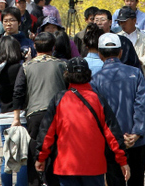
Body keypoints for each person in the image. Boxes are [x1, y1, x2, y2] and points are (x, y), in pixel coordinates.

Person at [35, 57, 130, 186]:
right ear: (88, 75)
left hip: (66, 165)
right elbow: (112, 133)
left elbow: (47, 133)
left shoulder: (59, 100)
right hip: (94, 166)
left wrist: (41, 157)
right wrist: (122, 161)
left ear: (67, 75)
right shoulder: (98, 100)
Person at [90, 33, 145, 186]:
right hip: (137, 141)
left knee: (114, 180)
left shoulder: (95, 79)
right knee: (137, 181)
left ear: (100, 54)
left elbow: (98, 114)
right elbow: (141, 105)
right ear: (121, 52)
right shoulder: (136, 73)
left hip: (111, 142)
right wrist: (136, 133)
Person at [13, 32, 67, 186]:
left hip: (34, 115)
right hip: (59, 115)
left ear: (35, 46)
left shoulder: (26, 66)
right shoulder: (62, 65)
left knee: (35, 154)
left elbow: (18, 92)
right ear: (53, 47)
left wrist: (16, 118)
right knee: (56, 154)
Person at [0, 35, 28, 186]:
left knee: (6, 155)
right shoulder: (19, 68)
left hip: (3, 116)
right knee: (22, 156)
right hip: (19, 115)